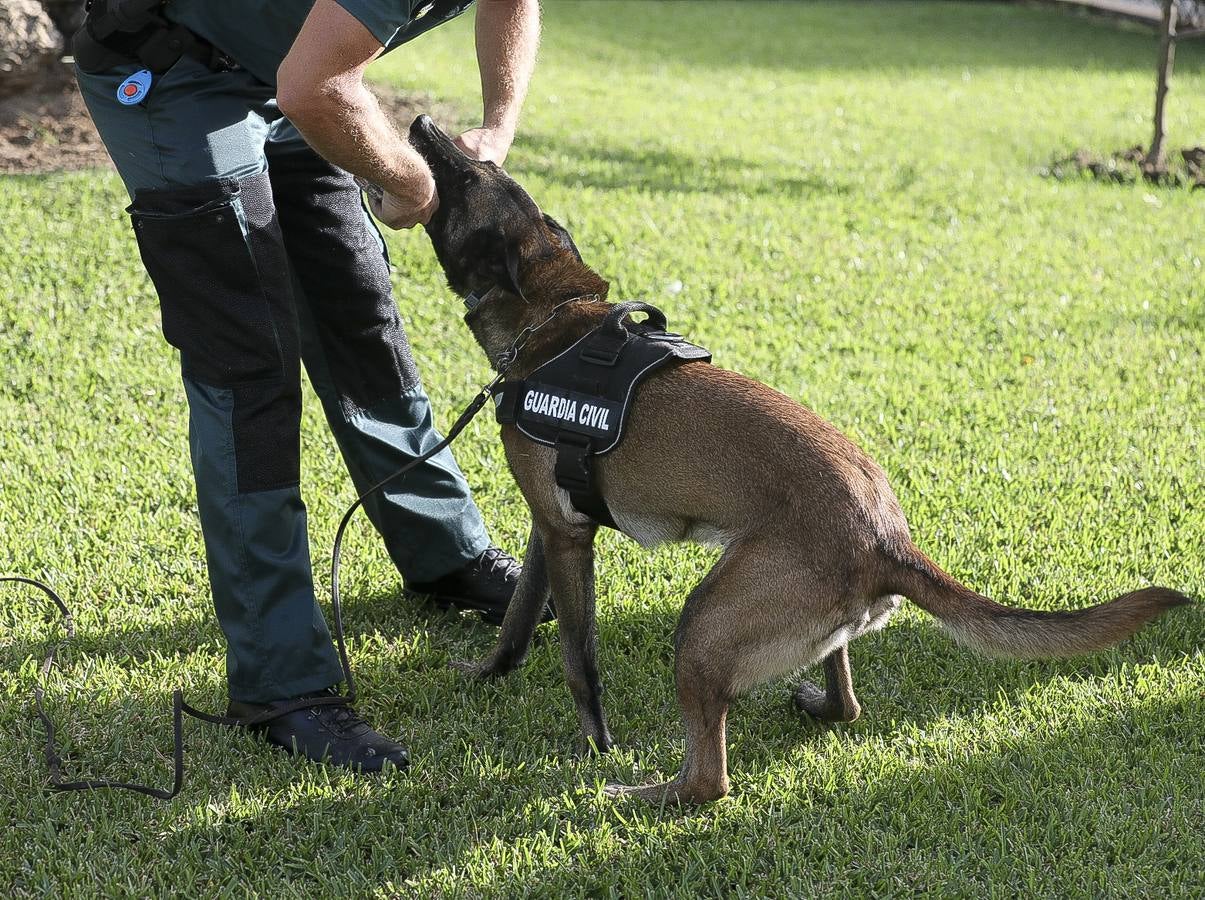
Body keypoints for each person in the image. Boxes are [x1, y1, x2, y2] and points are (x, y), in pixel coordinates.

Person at [71, 0, 542, 773]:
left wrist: (497, 124)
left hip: (285, 74)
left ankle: (444, 554)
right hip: (169, 69)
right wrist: (412, 183)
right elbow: (313, 89)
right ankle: (280, 683)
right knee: (245, 362)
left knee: (358, 317)